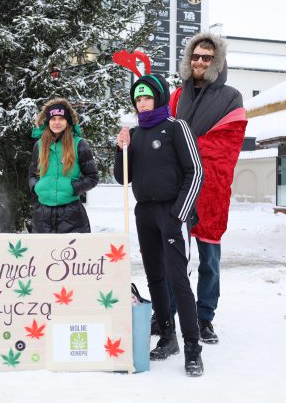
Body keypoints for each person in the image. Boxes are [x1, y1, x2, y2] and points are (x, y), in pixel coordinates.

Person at [114, 74, 204, 376]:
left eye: (147, 97)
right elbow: (122, 177)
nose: (142, 103)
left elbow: (195, 171)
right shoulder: (136, 134)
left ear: (159, 98)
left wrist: (180, 212)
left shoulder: (177, 127)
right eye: (138, 99)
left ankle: (192, 346)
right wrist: (120, 149)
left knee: (178, 279)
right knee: (154, 277)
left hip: (172, 213)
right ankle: (168, 337)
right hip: (145, 214)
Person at [169, 32, 247, 344]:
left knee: (209, 261)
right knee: (176, 257)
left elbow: (228, 143)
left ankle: (204, 318)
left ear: (217, 62)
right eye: (196, 56)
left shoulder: (231, 97)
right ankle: (169, 312)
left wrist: (185, 149)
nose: (200, 61)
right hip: (178, 190)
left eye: (207, 57)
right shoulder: (176, 97)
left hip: (212, 189)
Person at [28, 98, 99, 233]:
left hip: (71, 214)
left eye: (61, 118)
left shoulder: (79, 144)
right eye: (53, 119)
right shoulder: (39, 145)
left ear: (68, 121)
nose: (57, 122)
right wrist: (36, 187)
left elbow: (92, 177)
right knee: (44, 253)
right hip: (42, 214)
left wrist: (72, 188)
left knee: (71, 253)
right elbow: (32, 174)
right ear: (48, 121)